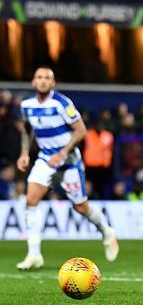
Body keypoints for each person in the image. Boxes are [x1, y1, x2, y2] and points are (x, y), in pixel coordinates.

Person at [15, 67, 119, 270]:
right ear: (33, 82)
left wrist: (63, 152)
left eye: (47, 78)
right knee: (31, 200)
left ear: (53, 83)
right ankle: (34, 254)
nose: (43, 81)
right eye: (39, 77)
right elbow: (27, 129)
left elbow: (81, 130)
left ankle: (107, 232)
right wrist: (25, 153)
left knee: (80, 207)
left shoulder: (62, 103)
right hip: (46, 159)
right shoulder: (26, 105)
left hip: (69, 161)